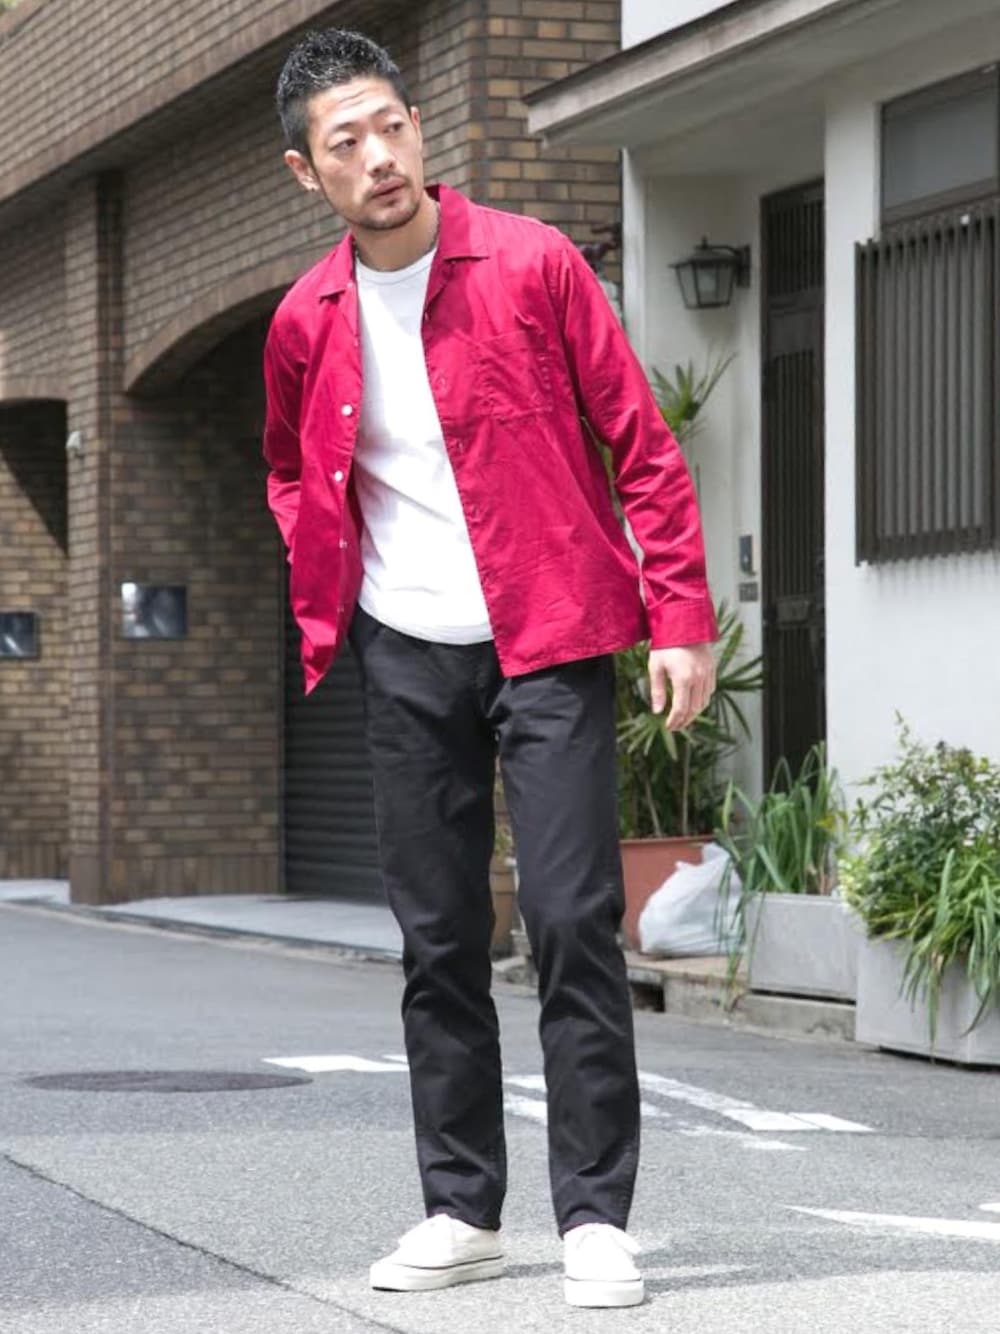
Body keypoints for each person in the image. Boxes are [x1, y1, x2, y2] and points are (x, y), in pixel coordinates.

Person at [264, 28, 718, 1310]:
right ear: (308, 172)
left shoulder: (531, 262)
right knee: (437, 935)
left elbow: (640, 442)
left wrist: (679, 614)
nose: (377, 155)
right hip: (404, 648)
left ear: (418, 128)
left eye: (389, 125)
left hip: (551, 634)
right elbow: (293, 472)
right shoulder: (303, 320)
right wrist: (331, 586)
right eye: (345, 141)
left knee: (571, 918)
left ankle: (595, 1217)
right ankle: (461, 1207)